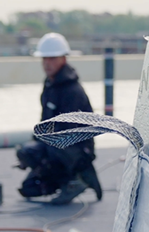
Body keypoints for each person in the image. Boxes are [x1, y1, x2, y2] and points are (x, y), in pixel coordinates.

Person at [16, 32, 103, 205]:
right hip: (56, 145)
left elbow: (70, 132)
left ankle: (79, 178)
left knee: (53, 144)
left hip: (76, 150)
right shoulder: (50, 85)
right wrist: (33, 156)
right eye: (44, 59)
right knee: (29, 185)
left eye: (52, 58)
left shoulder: (72, 91)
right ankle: (66, 180)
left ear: (63, 58)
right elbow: (44, 122)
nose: (47, 63)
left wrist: (45, 156)